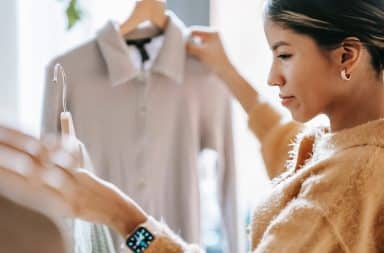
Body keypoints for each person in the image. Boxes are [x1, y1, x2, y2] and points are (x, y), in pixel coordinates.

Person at [1, 0, 384, 252]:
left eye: (284, 54)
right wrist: (230, 75)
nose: (271, 77)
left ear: (347, 56)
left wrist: (123, 218)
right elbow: (293, 150)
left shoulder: (344, 186)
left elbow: (317, 189)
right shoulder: (344, 143)